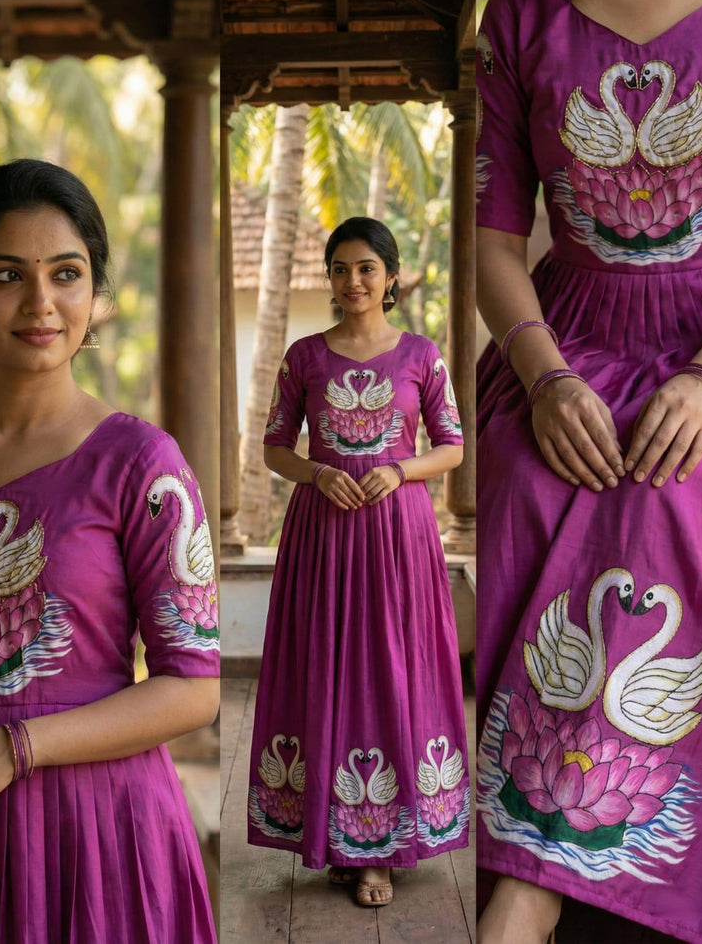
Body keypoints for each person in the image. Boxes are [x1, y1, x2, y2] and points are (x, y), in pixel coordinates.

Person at [476, 0, 702, 942]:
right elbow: (493, 243)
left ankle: (536, 882)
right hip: (562, 340)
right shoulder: (520, 14)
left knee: (672, 486)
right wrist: (545, 382)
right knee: (537, 480)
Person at [0, 159, 220, 943]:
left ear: (96, 298)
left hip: (97, 835)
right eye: (6, 274)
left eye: (66, 273)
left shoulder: (141, 465)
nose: (40, 303)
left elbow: (194, 689)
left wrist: (15, 748)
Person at [246, 217, 469, 906]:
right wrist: (315, 475)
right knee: (327, 666)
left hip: (398, 537)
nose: (352, 281)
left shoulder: (422, 356)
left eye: (366, 268)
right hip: (323, 535)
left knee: (391, 669)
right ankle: (333, 835)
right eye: (340, 268)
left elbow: (453, 446)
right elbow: (275, 446)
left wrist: (401, 471)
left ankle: (382, 851)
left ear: (391, 276)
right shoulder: (304, 356)